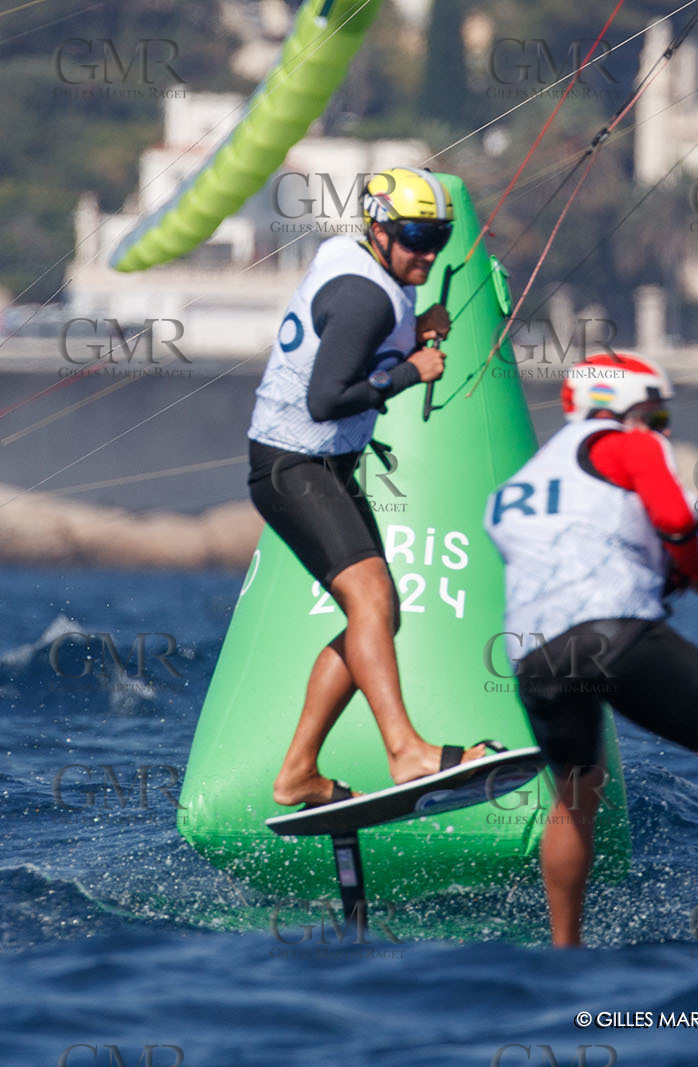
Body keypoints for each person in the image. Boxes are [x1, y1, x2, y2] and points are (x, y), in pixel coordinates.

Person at [485, 353, 698, 948]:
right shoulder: (630, 442)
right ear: (624, 405)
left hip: (536, 655)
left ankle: (565, 950)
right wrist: (695, 573)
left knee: (575, 794)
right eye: (657, 413)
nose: (661, 427)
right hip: (610, 631)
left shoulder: (521, 483)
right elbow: (675, 519)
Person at [249, 166, 491, 809]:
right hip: (293, 467)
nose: (428, 253)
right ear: (379, 230)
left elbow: (352, 349)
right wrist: (412, 369)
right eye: (415, 237)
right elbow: (327, 399)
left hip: (321, 465)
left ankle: (298, 772)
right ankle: (405, 751)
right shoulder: (366, 295)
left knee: (380, 612)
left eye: (439, 237)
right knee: (373, 599)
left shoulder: (365, 266)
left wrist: (410, 335)